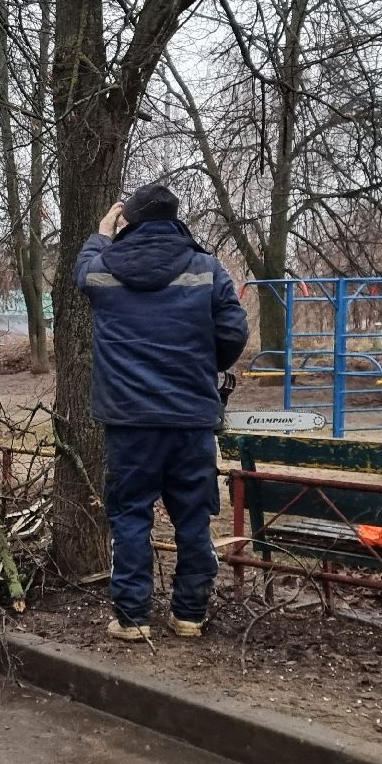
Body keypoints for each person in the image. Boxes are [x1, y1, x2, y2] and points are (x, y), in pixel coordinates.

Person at [74, 183, 249, 642]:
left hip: (129, 422)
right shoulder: (207, 268)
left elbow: (81, 272)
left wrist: (102, 233)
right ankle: (189, 615)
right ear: (174, 220)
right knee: (193, 516)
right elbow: (233, 331)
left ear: (128, 221)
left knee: (130, 515)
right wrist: (203, 364)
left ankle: (132, 618)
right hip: (191, 419)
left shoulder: (104, 268)